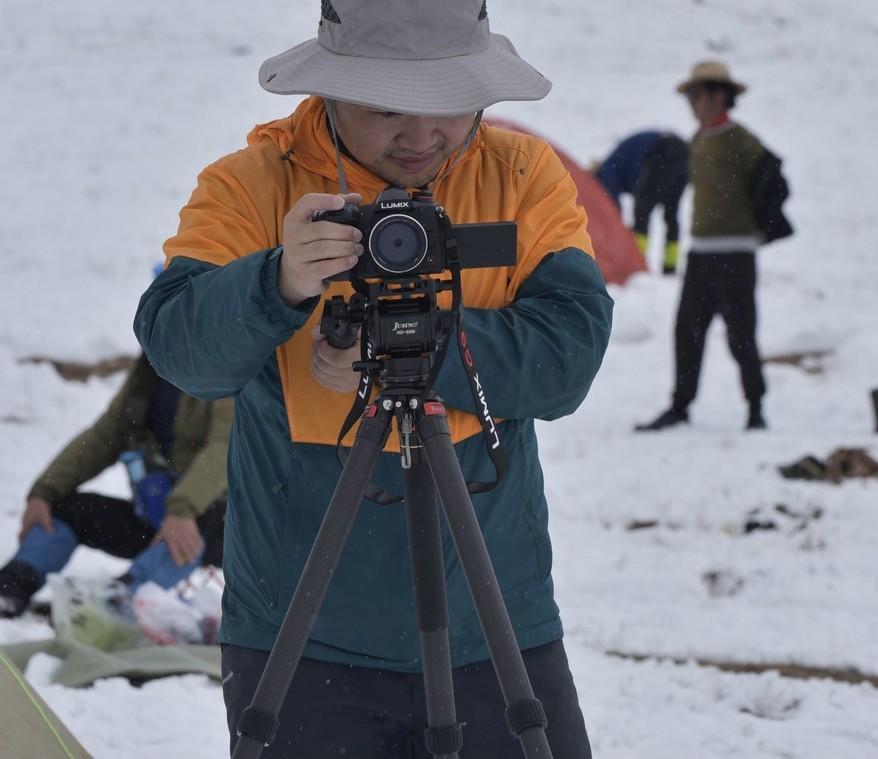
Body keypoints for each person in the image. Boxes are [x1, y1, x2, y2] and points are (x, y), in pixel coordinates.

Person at [133, 1, 612, 756]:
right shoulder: (253, 187)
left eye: (450, 105)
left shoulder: (522, 178)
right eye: (387, 108)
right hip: (301, 627)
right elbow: (183, 351)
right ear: (329, 90)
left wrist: (421, 348)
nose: (422, 137)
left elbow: (568, 361)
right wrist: (279, 282)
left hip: (491, 621)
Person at [0, 354, 231, 618]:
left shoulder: (228, 367)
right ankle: (12, 586)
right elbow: (106, 435)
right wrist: (44, 492)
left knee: (192, 531)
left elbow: (226, 447)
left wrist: (182, 510)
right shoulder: (152, 368)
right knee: (66, 510)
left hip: (229, 528)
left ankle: (119, 604)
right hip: (157, 517)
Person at [636, 60, 793, 433]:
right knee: (686, 331)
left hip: (736, 253)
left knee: (741, 334)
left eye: (696, 93)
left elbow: (776, 181)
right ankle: (680, 406)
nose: (691, 101)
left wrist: (760, 225)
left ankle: (755, 408)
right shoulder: (698, 139)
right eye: (689, 94)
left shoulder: (741, 139)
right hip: (701, 252)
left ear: (719, 95)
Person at [594, 130, 689, 274]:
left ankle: (637, 265)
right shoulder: (615, 162)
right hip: (683, 154)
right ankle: (670, 266)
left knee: (642, 213)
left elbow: (611, 208)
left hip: (662, 152)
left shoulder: (605, 172)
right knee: (671, 214)